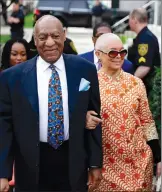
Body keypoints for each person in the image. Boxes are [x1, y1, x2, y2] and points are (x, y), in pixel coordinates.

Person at [0, 15, 102, 192]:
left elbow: (94, 117)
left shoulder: (85, 69)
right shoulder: (13, 77)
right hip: (30, 165)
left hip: (73, 163)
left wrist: (94, 164)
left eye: (55, 36)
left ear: (64, 35)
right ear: (34, 39)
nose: (49, 43)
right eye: (42, 37)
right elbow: (4, 126)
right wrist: (3, 172)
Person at [86, 33, 161, 191]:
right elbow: (77, 116)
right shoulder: (88, 84)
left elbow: (147, 121)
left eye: (122, 52)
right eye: (112, 52)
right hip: (106, 167)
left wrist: (158, 157)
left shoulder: (136, 83)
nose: (118, 57)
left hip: (139, 164)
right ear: (98, 54)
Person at [128, 8, 161, 95]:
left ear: (134, 20)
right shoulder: (144, 36)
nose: (128, 23)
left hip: (145, 87)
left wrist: (129, 85)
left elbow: (144, 67)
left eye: (129, 19)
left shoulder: (145, 39)